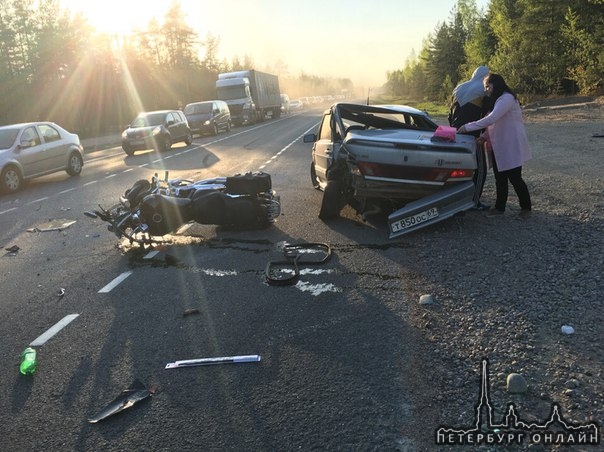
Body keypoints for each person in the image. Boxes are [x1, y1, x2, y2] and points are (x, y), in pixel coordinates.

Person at [458, 73, 532, 219]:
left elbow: (492, 118)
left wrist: (467, 127)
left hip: (510, 145)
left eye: (488, 86)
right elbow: (496, 123)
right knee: (500, 177)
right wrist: (484, 137)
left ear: (495, 85)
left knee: (515, 178)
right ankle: (500, 207)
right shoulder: (498, 99)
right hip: (499, 145)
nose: (486, 90)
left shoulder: (507, 98)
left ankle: (526, 208)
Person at [448, 65, 491, 210]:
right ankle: (474, 202)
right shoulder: (482, 89)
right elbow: (485, 116)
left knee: (456, 167)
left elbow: (450, 113)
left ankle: (454, 198)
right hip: (472, 134)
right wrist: (484, 135)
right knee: (480, 170)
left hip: (455, 132)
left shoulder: (459, 87)